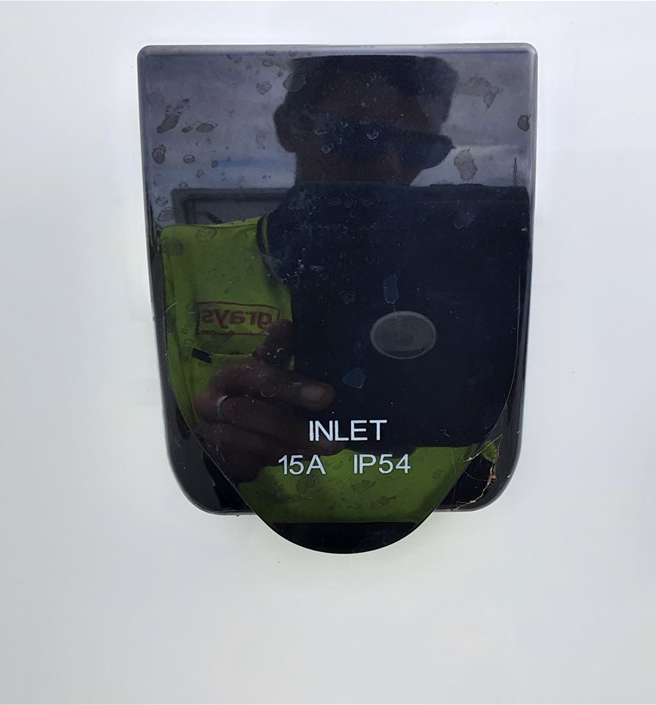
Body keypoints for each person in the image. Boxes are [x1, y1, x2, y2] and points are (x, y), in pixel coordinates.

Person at [158, 55, 498, 528]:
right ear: (289, 128)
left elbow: (509, 437)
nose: (390, 164)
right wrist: (209, 459)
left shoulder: (475, 277)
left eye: (421, 149)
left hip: (456, 538)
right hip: (228, 536)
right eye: (358, 137)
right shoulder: (177, 261)